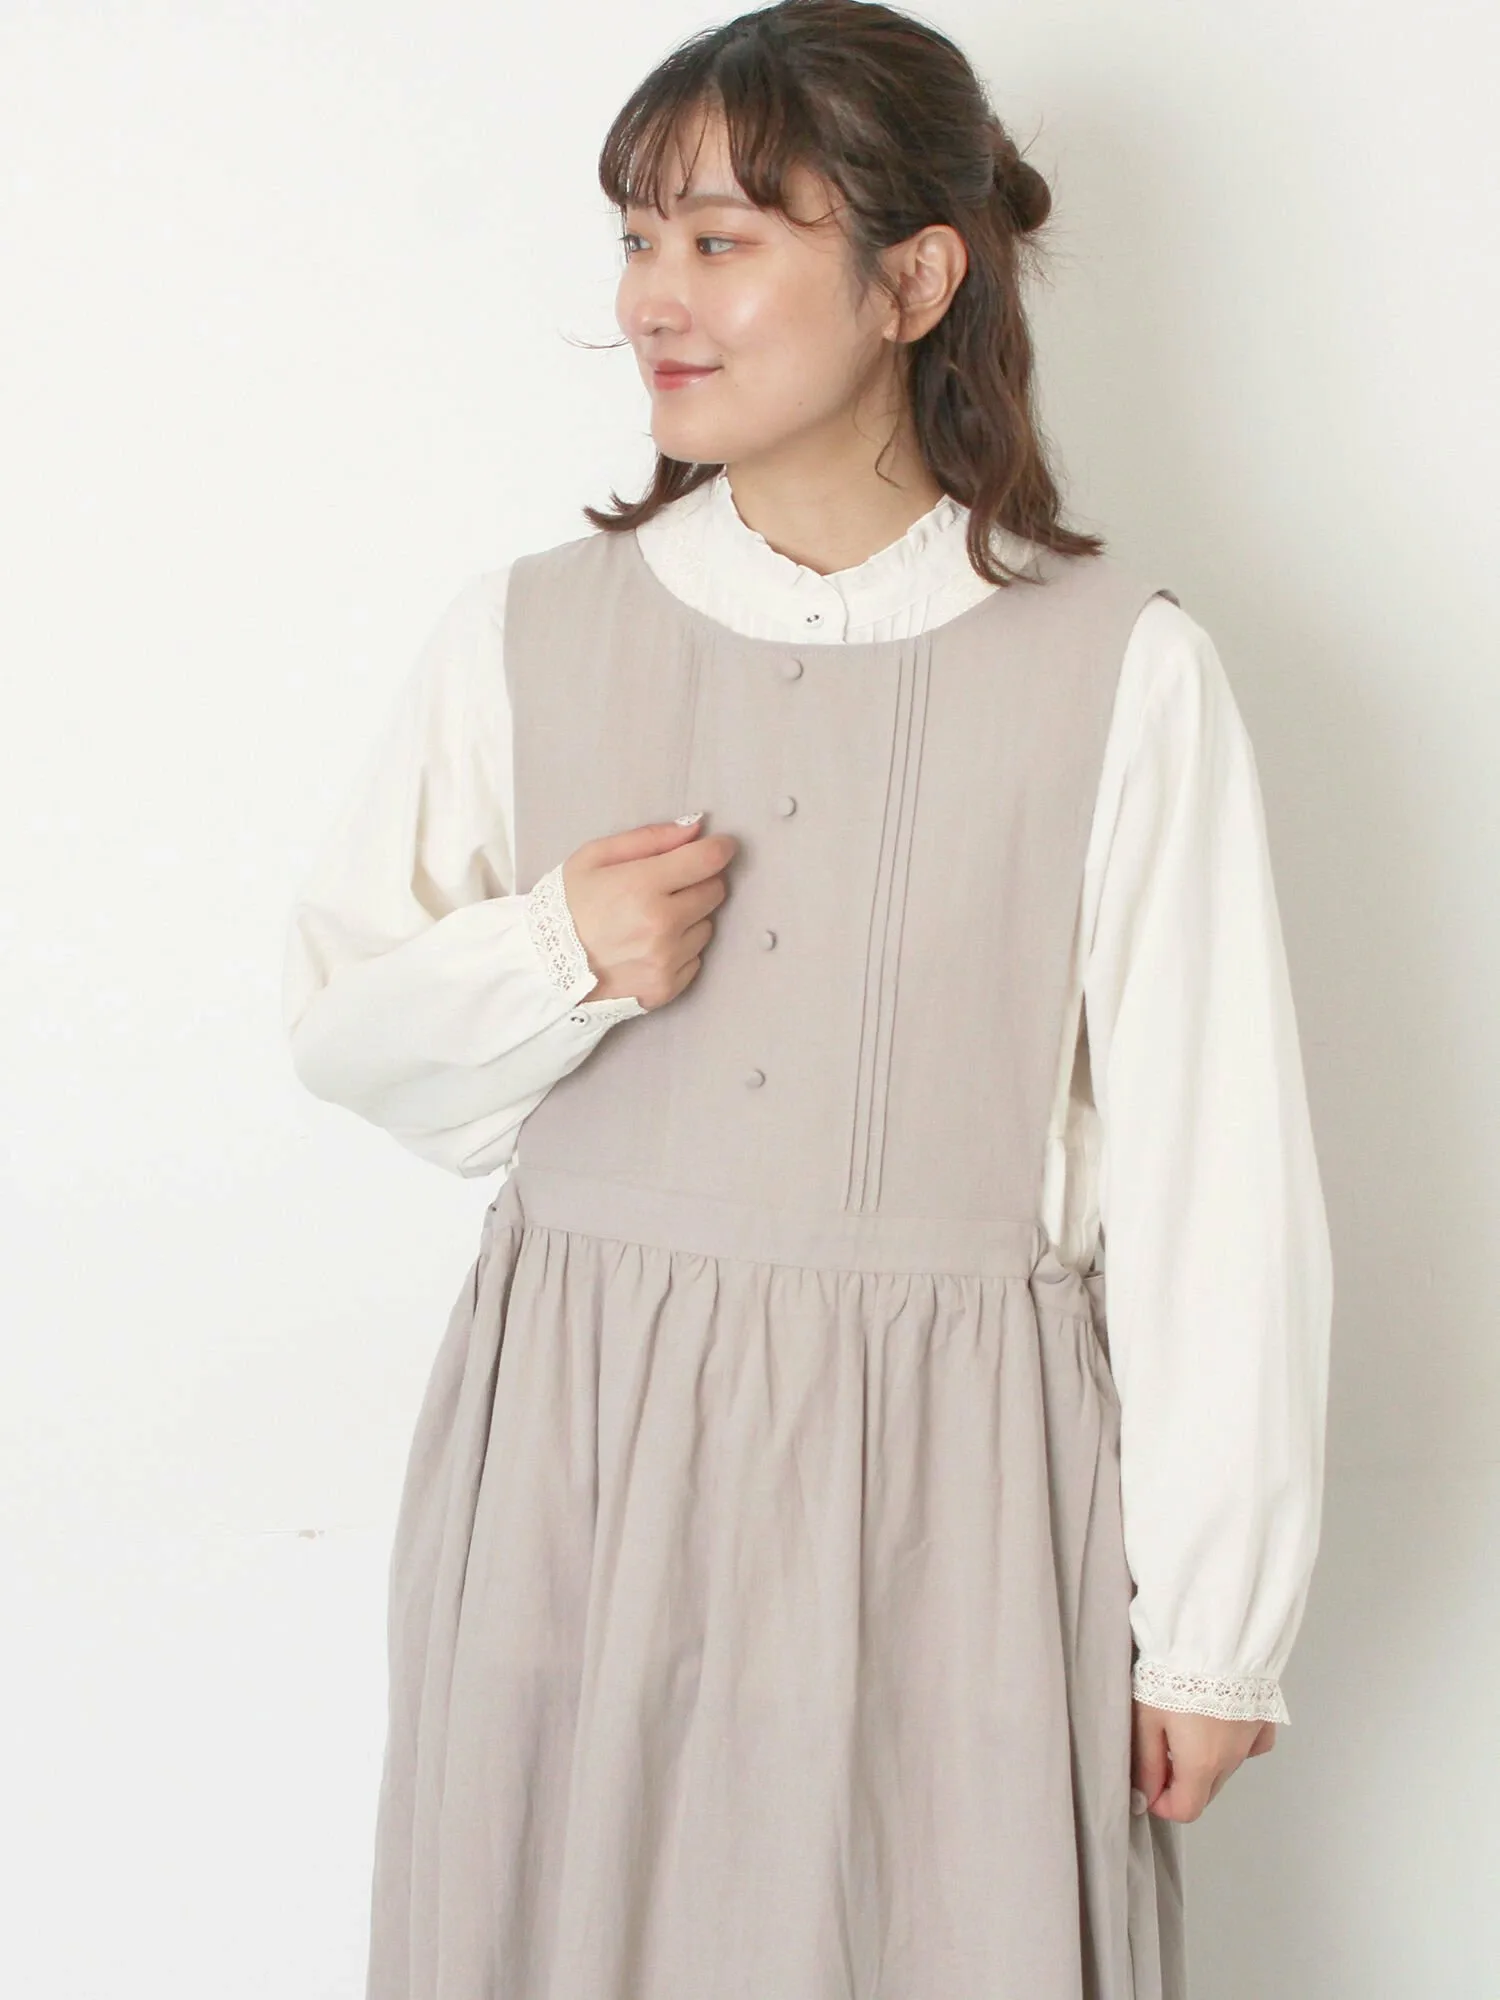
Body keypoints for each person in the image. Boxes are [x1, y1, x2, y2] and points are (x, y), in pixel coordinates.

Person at [282, 4, 1333, 1994]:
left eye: (723, 240)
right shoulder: (525, 630)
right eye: (637, 238)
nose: (652, 299)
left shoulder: (1123, 671)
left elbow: (1218, 1181)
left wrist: (1212, 1632)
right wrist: (557, 953)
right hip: (580, 1467)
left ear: (913, 282)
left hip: (954, 1491)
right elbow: (349, 1035)